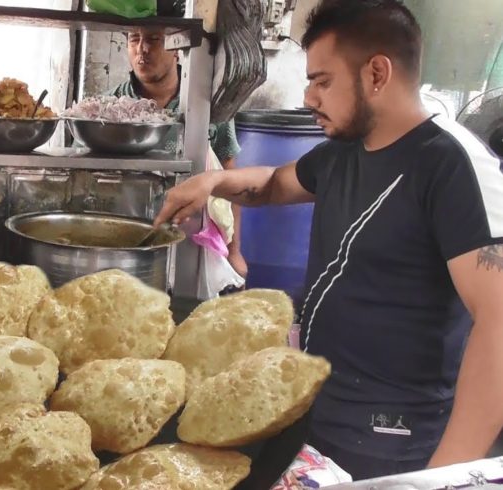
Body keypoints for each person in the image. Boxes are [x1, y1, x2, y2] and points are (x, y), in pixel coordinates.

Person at [154, 0, 503, 480]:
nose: (309, 97)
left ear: (377, 73)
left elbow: (499, 318)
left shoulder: (454, 165)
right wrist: (210, 183)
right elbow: (276, 182)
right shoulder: (344, 151)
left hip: (396, 439)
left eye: (322, 81)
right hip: (319, 409)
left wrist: (446, 474)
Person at [113, 27, 247, 280]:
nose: (142, 49)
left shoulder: (208, 106)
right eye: (134, 39)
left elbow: (231, 179)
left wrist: (234, 251)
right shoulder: (110, 105)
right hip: (128, 240)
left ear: (177, 49)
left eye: (153, 39)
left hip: (191, 242)